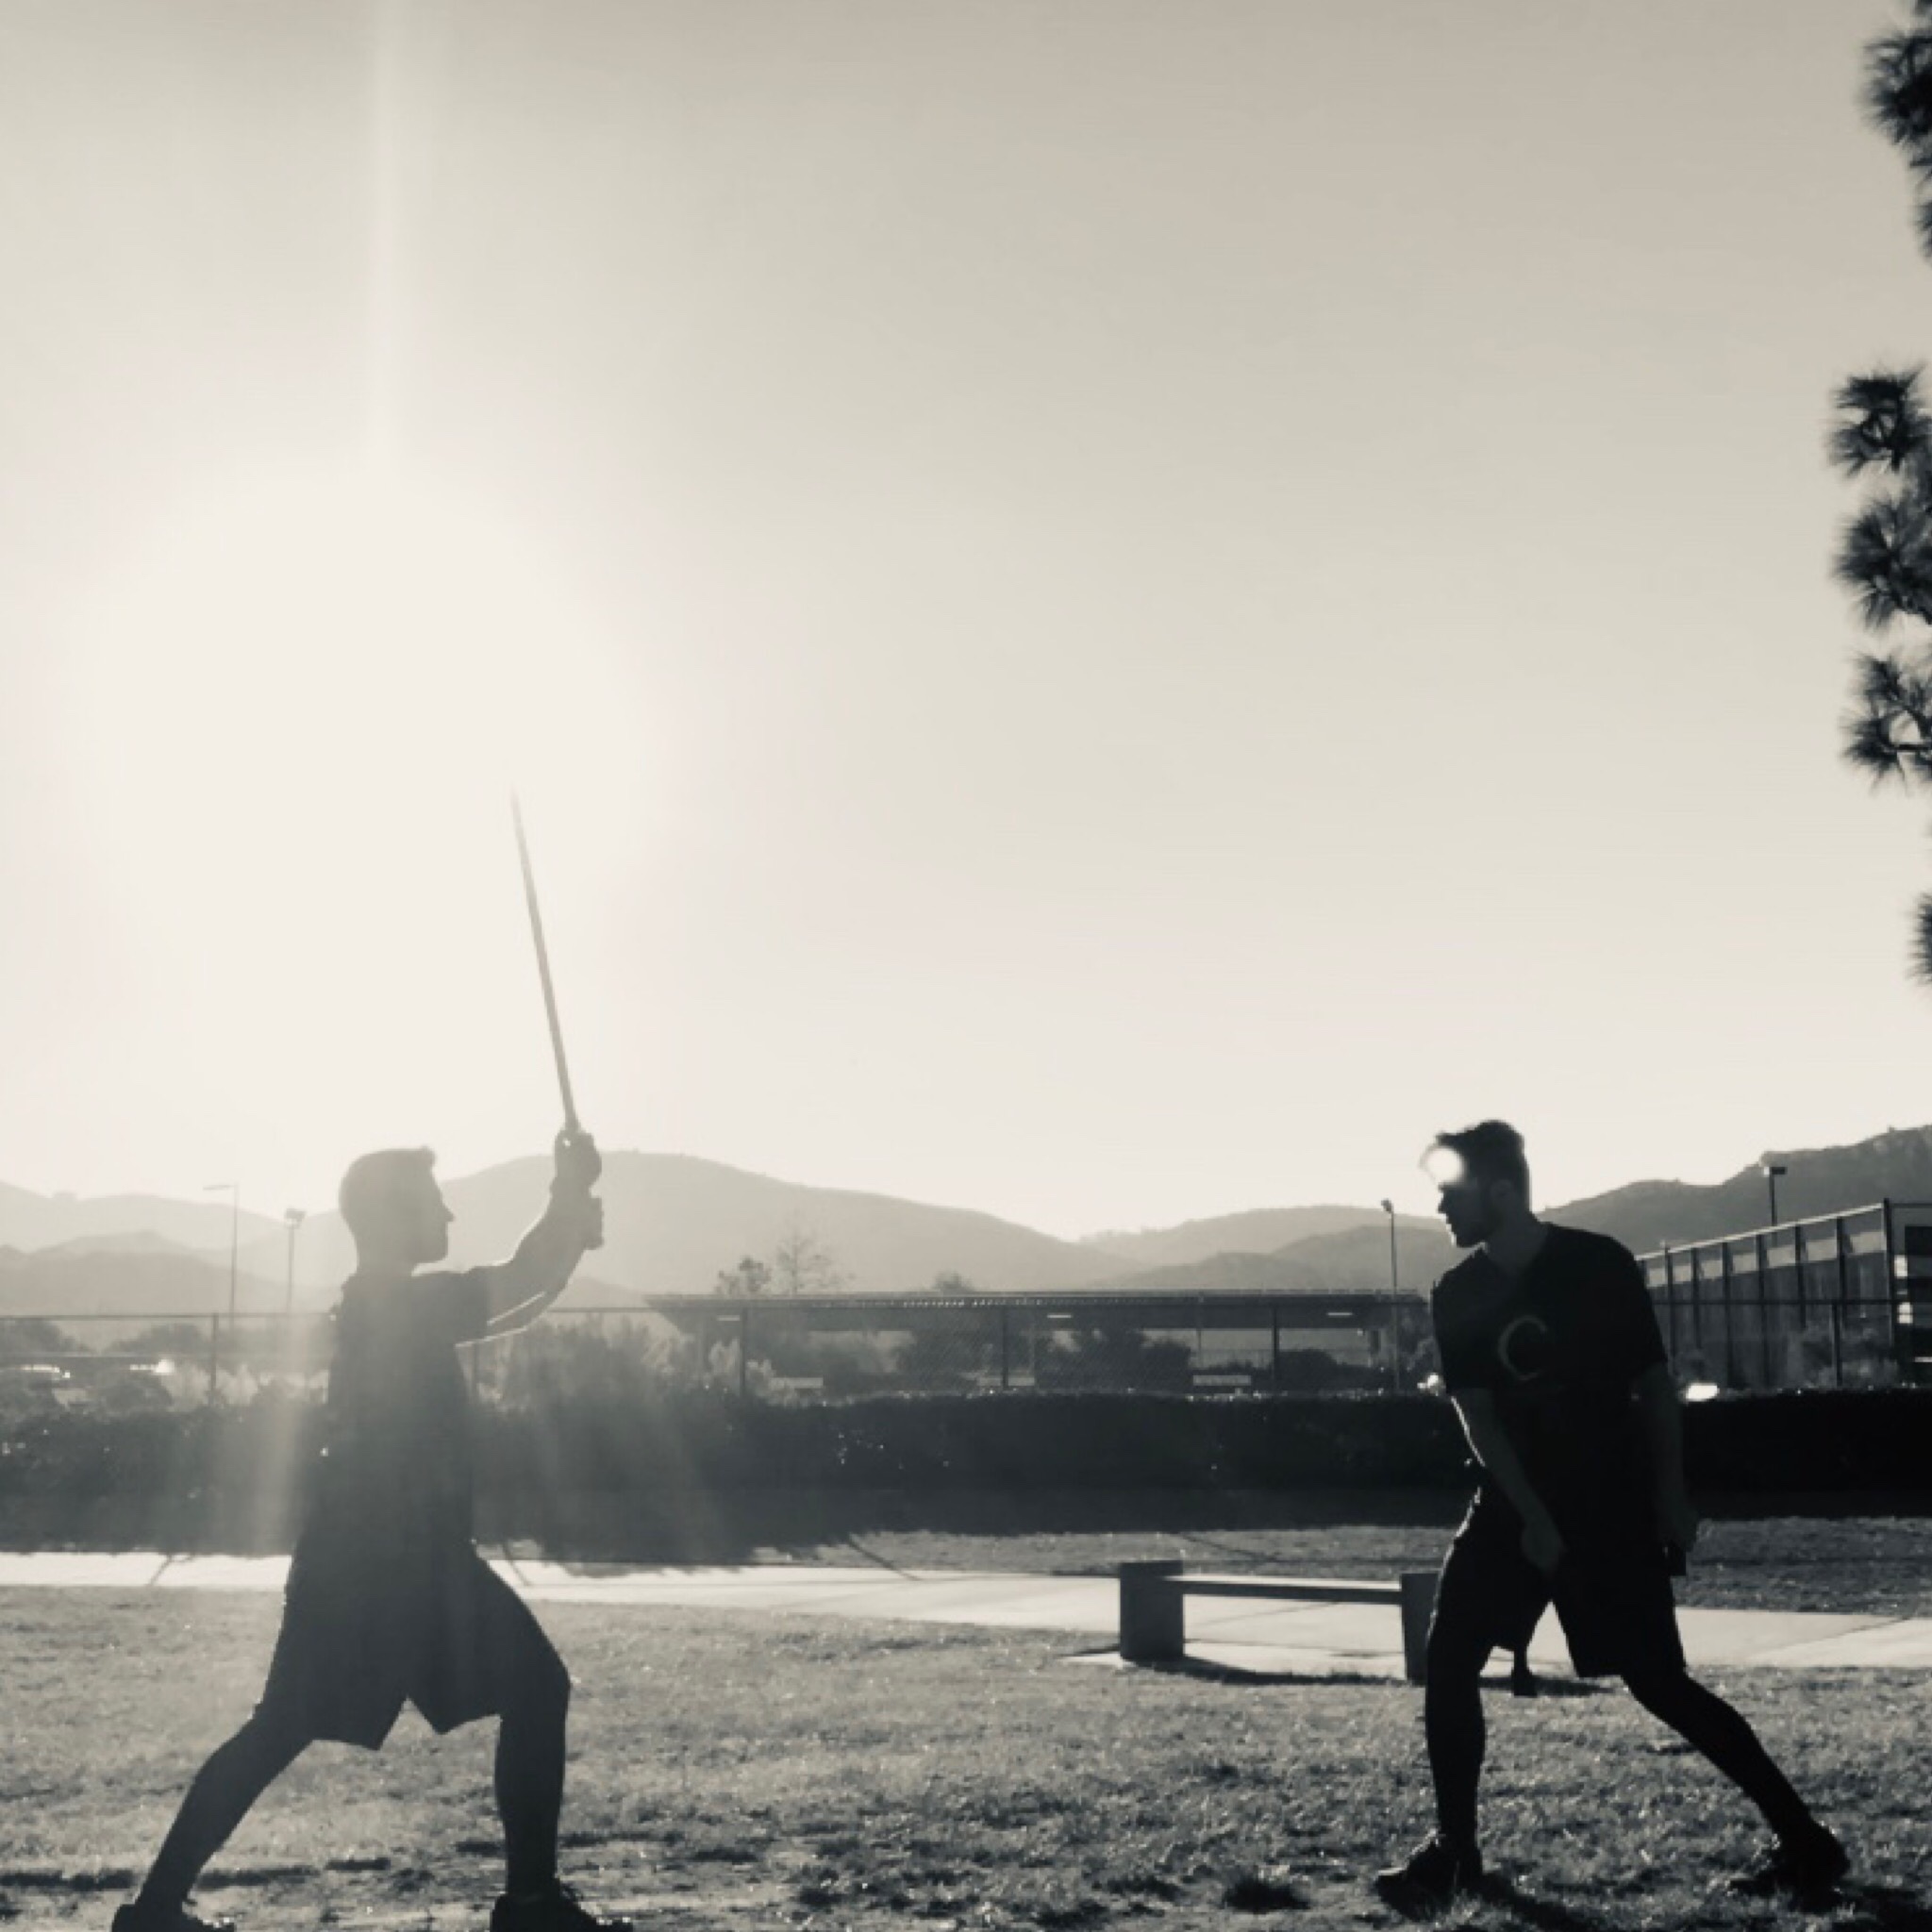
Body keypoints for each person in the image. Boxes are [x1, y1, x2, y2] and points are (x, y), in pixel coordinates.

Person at [114, 1133, 629, 1932]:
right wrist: (564, 1198)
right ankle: (530, 1906)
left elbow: (518, 1296)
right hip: (403, 1566)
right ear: (397, 1217)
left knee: (279, 1730)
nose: (449, 1214)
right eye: (435, 1203)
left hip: (362, 1563)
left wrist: (564, 1237)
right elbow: (518, 1280)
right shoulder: (402, 1309)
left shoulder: (381, 1306)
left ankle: (154, 1911)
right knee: (532, 1689)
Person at [1375, 1121, 1846, 1910]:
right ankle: (1455, 1851)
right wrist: (1532, 1517)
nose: (1441, 1208)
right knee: (1449, 1662)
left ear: (1501, 1191)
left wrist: (1669, 1497)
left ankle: (1805, 1842)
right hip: (1509, 1504)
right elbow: (1479, 1421)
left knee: (1659, 1683)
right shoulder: (1457, 1293)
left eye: (1452, 1192)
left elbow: (1653, 1390)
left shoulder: (1598, 1265)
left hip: (1607, 1507)